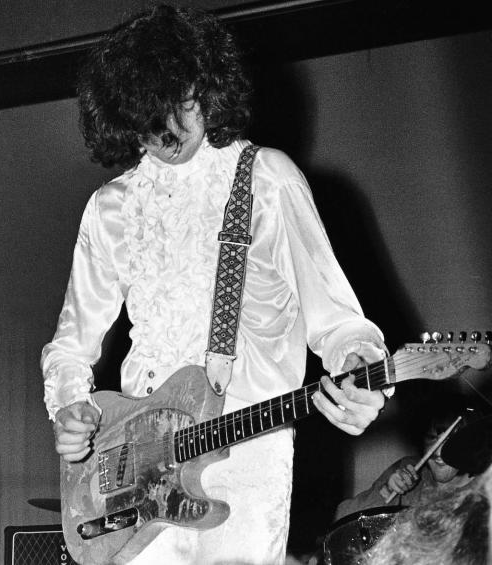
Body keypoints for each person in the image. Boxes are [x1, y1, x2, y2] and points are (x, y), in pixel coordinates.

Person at [41, 6, 388, 564]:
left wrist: (361, 373)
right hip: (134, 459)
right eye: (141, 118)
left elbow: (339, 322)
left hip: (245, 454)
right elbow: (70, 345)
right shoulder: (111, 207)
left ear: (205, 86)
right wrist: (70, 410)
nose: (161, 132)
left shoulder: (267, 178)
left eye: (173, 104)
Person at [334, 406, 475, 521]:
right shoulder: (409, 468)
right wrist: (386, 491)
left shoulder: (485, 489)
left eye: (450, 441)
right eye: (432, 438)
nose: (438, 451)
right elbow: (342, 518)